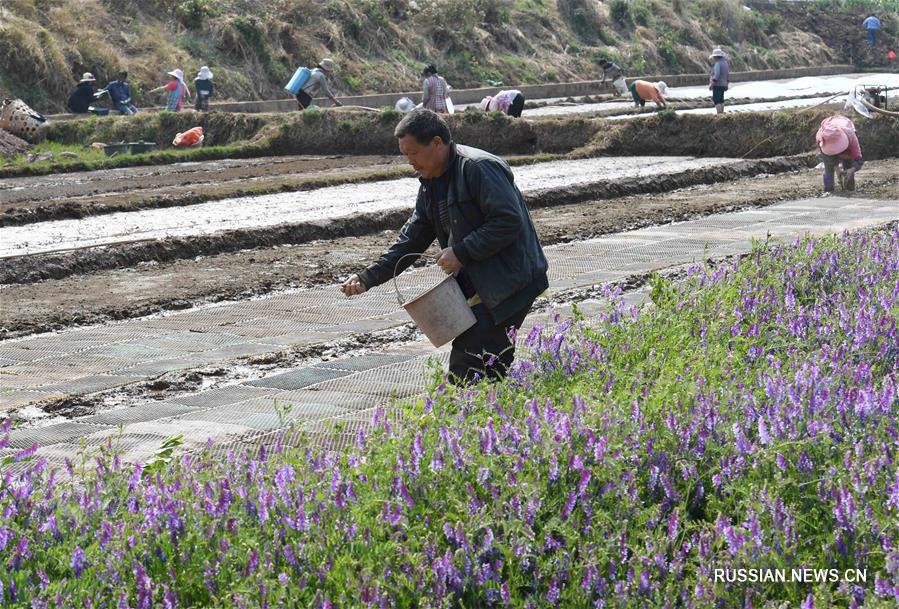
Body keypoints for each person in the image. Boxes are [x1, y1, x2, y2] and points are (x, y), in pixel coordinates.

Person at [340, 109, 549, 384]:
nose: (410, 161)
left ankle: (473, 416)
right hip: (482, 283)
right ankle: (495, 413)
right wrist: (369, 277)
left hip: (510, 281)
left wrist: (461, 252)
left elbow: (508, 221)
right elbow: (412, 236)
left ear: (437, 143)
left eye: (413, 152)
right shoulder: (431, 182)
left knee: (469, 360)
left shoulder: (477, 168)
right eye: (405, 154)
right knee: (486, 362)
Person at [815, 115, 863, 194]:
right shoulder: (820, 137)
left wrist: (852, 169)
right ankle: (828, 189)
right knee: (829, 167)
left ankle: (849, 188)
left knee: (849, 164)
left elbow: (858, 159)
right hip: (826, 140)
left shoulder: (850, 136)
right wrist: (836, 168)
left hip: (844, 133)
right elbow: (830, 161)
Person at [708, 49, 730, 115]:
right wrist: (727, 84)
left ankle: (719, 113)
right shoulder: (725, 63)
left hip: (717, 84)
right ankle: (722, 113)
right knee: (721, 100)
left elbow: (717, 74)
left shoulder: (718, 63)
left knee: (716, 100)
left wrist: (712, 84)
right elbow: (727, 74)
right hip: (724, 84)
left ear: (716, 57)